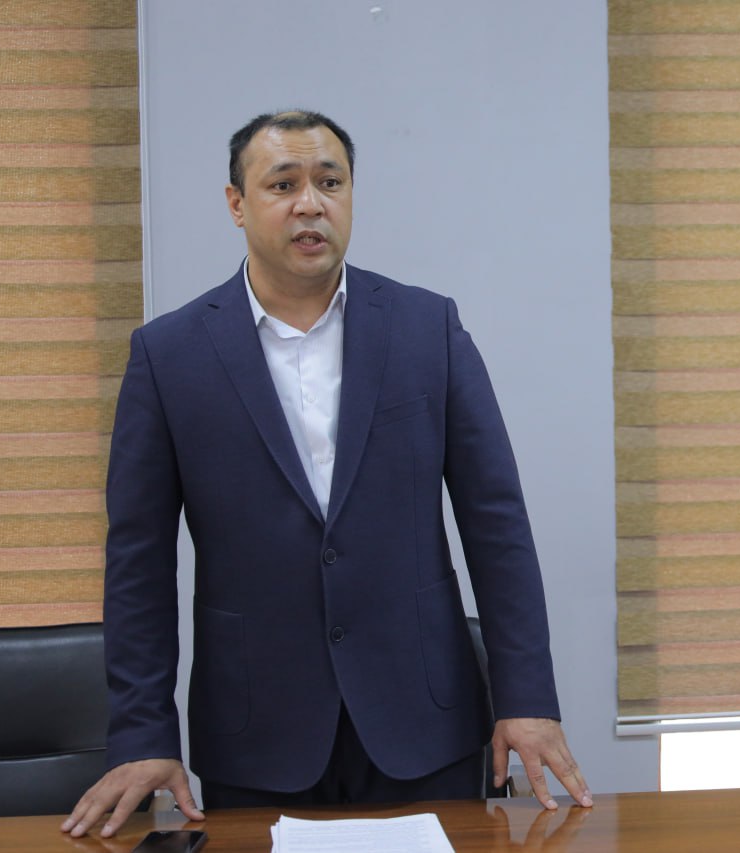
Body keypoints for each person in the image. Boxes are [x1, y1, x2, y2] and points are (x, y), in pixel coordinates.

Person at [63, 110, 591, 839]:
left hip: (423, 721)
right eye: (283, 184)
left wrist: (526, 697)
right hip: (256, 729)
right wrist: (143, 734)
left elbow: (497, 524)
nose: (310, 204)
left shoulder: (425, 328)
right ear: (237, 204)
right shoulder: (169, 355)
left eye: (329, 182)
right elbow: (138, 564)